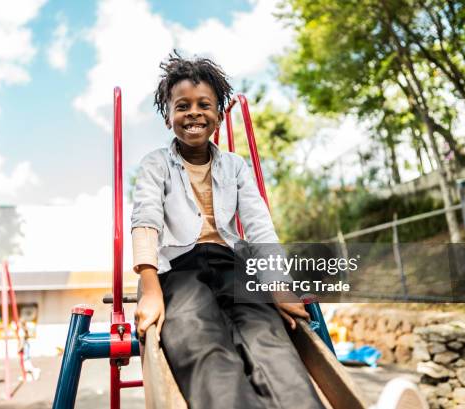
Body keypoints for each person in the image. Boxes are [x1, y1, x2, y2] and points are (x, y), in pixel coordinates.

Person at [131, 53, 324, 408]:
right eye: (182, 105)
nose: (193, 113)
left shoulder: (234, 166)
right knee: (199, 337)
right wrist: (151, 289)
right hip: (179, 269)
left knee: (267, 335)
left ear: (218, 115)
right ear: (168, 116)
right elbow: (145, 221)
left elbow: (259, 225)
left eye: (204, 104)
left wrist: (279, 286)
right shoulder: (156, 164)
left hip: (230, 263)